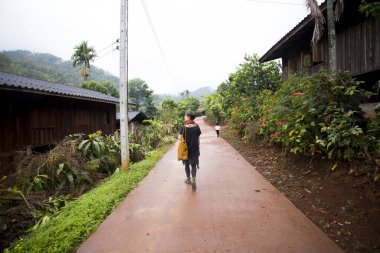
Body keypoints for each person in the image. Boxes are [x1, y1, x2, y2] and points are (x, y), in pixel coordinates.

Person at [179, 111, 201, 191]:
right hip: (194, 149)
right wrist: (198, 148)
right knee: (194, 165)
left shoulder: (183, 127)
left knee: (187, 164)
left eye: (185, 116)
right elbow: (198, 139)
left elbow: (179, 138)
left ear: (188, 117)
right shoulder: (197, 127)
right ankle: (193, 178)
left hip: (186, 150)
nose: (184, 117)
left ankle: (188, 179)